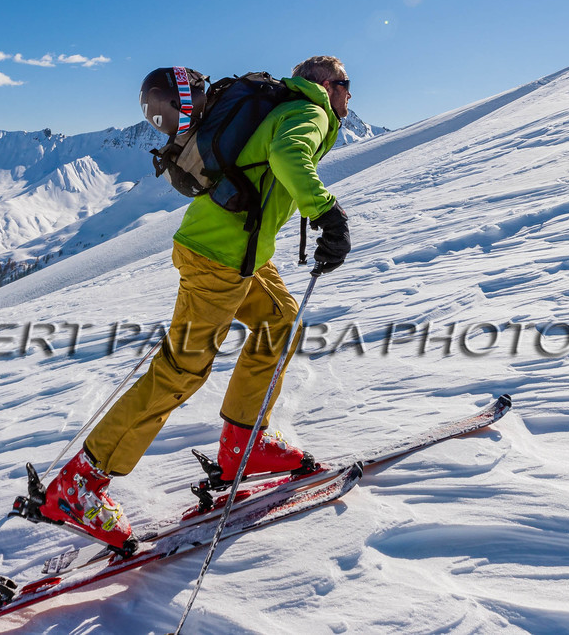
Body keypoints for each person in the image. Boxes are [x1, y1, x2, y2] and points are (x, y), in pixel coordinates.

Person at [38, 56, 354, 549]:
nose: (350, 95)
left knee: (278, 320)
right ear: (324, 84)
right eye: (345, 84)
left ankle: (242, 447)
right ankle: (80, 486)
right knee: (181, 370)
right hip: (219, 257)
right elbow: (291, 158)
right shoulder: (308, 113)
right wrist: (328, 215)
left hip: (239, 253)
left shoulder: (283, 105)